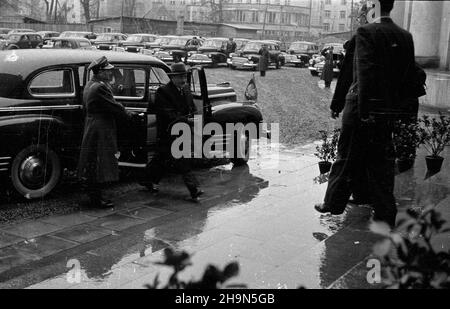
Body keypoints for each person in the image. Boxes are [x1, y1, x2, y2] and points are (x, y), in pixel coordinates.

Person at [314, 0, 416, 229]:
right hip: (388, 109)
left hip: (362, 107)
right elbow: (409, 76)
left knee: (346, 155)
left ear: (374, 8)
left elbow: (364, 72)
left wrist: (364, 110)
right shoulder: (405, 35)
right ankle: (385, 212)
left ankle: (332, 203)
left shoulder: (366, 32)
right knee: (381, 161)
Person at [328, 3, 371, 206]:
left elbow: (347, 75)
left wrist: (337, 104)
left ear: (366, 17)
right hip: (384, 108)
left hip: (357, 105)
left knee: (345, 152)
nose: (358, 20)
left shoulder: (360, 38)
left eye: (360, 16)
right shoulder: (397, 36)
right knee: (371, 154)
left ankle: (333, 202)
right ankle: (364, 195)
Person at [142, 63, 204, 202]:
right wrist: (189, 121)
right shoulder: (162, 92)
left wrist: (194, 116)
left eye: (184, 77)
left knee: (161, 159)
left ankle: (146, 180)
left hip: (182, 131)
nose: (183, 80)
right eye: (180, 77)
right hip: (168, 132)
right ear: (172, 78)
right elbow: (168, 114)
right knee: (182, 160)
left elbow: (191, 107)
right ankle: (194, 189)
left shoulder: (186, 89)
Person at [78, 56, 132, 208]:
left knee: (93, 162)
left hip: (92, 126)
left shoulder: (91, 84)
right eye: (108, 71)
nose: (111, 73)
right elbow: (114, 106)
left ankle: (94, 195)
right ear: (100, 72)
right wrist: (129, 114)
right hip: (101, 129)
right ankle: (97, 199)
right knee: (100, 163)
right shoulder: (100, 87)